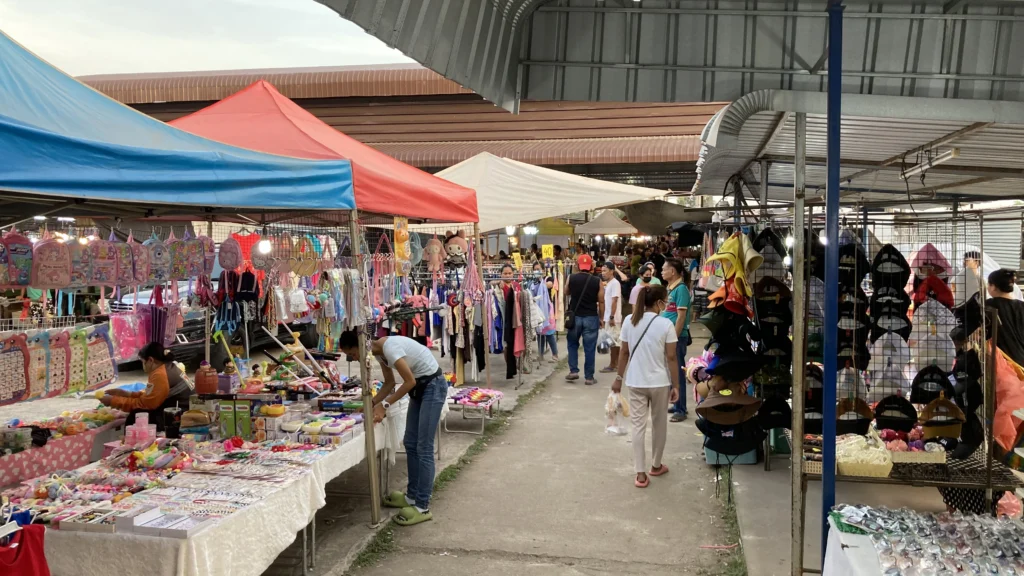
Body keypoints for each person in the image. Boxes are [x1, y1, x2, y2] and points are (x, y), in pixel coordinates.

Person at [338, 330, 445, 526]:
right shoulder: (379, 353)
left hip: (432, 386)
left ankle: (422, 506)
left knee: (424, 448)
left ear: (361, 346)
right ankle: (411, 497)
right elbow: (389, 383)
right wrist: (371, 403)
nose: (354, 358)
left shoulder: (390, 348)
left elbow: (409, 381)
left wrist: (384, 405)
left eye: (353, 354)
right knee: (411, 444)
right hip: (420, 389)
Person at [612, 284, 679, 488]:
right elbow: (671, 357)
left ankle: (640, 474)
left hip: (635, 381)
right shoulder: (666, 325)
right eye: (664, 301)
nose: (666, 304)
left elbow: (623, 352)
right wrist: (676, 385)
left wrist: (618, 378)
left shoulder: (628, 322)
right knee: (659, 425)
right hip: (659, 382)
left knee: (638, 427)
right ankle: (656, 465)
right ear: (658, 303)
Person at [100, 342, 192, 430]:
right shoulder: (169, 367)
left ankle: (134, 444)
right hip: (184, 407)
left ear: (151, 360)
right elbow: (150, 396)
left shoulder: (160, 375)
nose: (143, 365)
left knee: (137, 416)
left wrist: (113, 401)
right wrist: (126, 394)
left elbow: (146, 405)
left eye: (143, 362)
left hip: (181, 414)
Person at [662, 257, 692, 421]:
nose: (661, 271)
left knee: (678, 373)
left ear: (672, 271)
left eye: (664, 269)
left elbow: (681, 318)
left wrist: (673, 338)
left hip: (677, 338)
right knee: (672, 372)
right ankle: (677, 404)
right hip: (670, 336)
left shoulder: (681, 290)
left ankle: (680, 409)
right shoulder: (671, 288)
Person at [566, 254, 601, 385]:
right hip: (591, 317)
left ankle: (573, 371)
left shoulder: (571, 278)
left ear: (577, 265)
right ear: (591, 266)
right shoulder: (597, 281)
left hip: (575, 318)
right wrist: (601, 318)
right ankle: (589, 377)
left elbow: (566, 292)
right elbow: (601, 301)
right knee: (590, 348)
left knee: (572, 344)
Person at [987, 268, 1024, 367]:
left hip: (1002, 361)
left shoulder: (989, 305)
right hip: (1021, 361)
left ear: (993, 287)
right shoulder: (1022, 305)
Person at [600, 261, 623, 374]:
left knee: (614, 341)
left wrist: (612, 316)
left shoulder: (615, 283)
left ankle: (614, 364)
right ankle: (614, 363)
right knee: (611, 341)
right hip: (609, 316)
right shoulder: (609, 283)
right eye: (602, 271)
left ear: (612, 271)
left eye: (605, 271)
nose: (603, 273)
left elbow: (615, 300)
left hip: (613, 317)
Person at [533, 261, 559, 362]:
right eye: (535, 270)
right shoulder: (533, 282)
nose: (536, 271)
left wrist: (541, 280)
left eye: (538, 269)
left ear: (543, 270)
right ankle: (540, 354)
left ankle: (555, 354)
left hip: (547, 310)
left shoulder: (548, 279)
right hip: (538, 310)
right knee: (540, 333)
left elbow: (550, 285)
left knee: (549, 333)